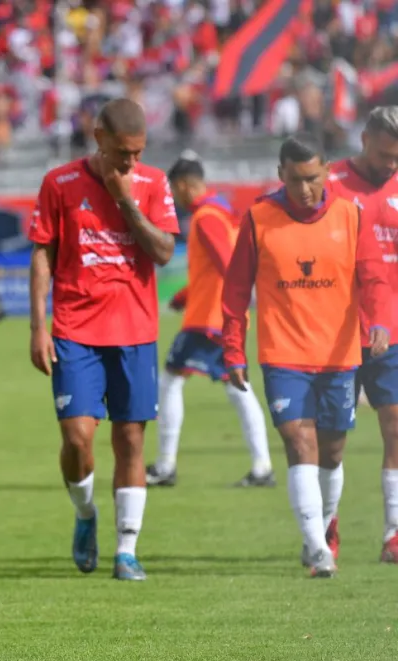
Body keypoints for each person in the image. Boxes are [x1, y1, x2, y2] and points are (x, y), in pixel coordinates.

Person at [222, 133, 391, 578]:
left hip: (339, 354)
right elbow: (236, 290)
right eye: (295, 180)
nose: (304, 189)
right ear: (281, 174)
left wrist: (378, 321)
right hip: (282, 353)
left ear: (326, 171)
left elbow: (373, 277)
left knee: (332, 452)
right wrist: (233, 348)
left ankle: (326, 524)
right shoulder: (258, 218)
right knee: (301, 444)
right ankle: (316, 546)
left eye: (313, 178)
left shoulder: (350, 215)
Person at [28, 98, 178, 581]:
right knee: (77, 437)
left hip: (135, 330)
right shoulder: (60, 183)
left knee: (131, 440)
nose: (131, 162)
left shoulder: (153, 183)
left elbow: (162, 250)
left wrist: (125, 199)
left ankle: (127, 551)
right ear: (98, 138)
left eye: (138, 153)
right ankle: (87, 513)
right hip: (75, 329)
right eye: (122, 152)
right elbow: (42, 256)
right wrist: (37, 326)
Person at [146, 157, 272, 487]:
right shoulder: (224, 214)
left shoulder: (205, 217)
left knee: (171, 379)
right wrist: (186, 294)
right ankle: (262, 466)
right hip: (221, 316)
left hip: (209, 320)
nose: (174, 197)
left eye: (174, 190)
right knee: (238, 387)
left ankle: (165, 465)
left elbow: (228, 266)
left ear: (186, 184)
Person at [328, 106, 398, 562]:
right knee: (331, 438)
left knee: (396, 426)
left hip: (391, 330)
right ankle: (325, 528)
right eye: (384, 155)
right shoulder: (328, 183)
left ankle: (393, 535)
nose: (391, 165)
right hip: (333, 331)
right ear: (364, 138)